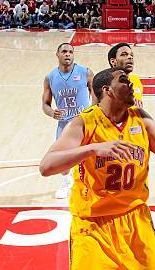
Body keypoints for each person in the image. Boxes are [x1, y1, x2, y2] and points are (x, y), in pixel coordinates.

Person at [39, 68, 155, 269]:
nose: (131, 85)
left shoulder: (141, 118)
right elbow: (46, 166)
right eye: (124, 81)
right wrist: (93, 149)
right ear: (107, 90)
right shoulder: (84, 122)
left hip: (135, 219)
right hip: (93, 224)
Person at [42, 43, 93, 199]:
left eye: (70, 52)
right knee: (62, 156)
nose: (68, 54)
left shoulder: (86, 72)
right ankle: (66, 182)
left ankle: (91, 184)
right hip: (65, 124)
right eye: (64, 51)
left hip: (85, 121)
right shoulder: (50, 77)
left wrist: (93, 111)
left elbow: (96, 94)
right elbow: (45, 104)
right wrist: (52, 112)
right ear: (57, 55)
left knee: (91, 155)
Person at [108, 43, 143, 108]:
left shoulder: (135, 79)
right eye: (124, 55)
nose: (130, 57)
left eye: (131, 55)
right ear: (113, 61)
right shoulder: (105, 82)